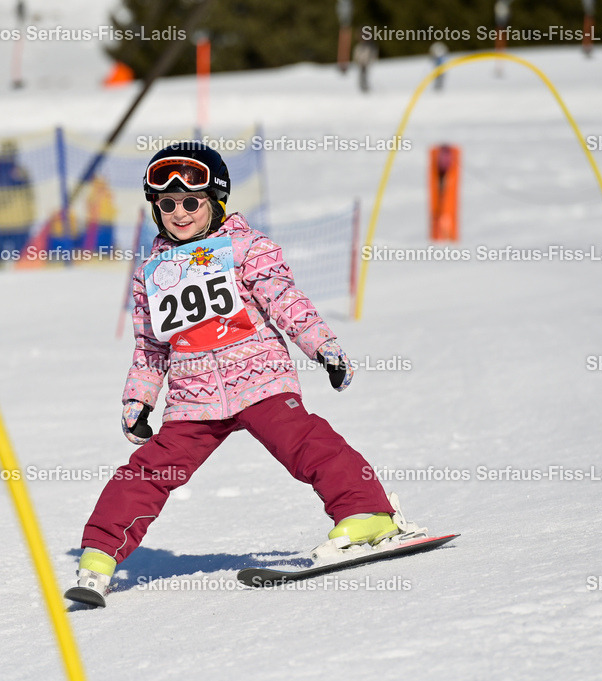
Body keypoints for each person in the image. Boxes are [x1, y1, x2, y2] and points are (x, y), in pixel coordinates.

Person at [66, 142, 423, 606]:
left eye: (191, 202)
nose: (179, 213)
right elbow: (151, 345)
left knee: (307, 443)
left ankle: (368, 514)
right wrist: (139, 400)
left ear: (215, 201)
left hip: (259, 380)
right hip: (194, 399)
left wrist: (323, 347)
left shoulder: (246, 248)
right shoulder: (151, 273)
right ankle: (99, 556)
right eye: (167, 204)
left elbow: (285, 301)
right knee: (147, 471)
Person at [0, 140, 35, 263]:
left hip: (16, 222)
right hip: (4, 222)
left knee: (20, 258)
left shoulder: (20, 172)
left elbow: (29, 196)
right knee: (3, 258)